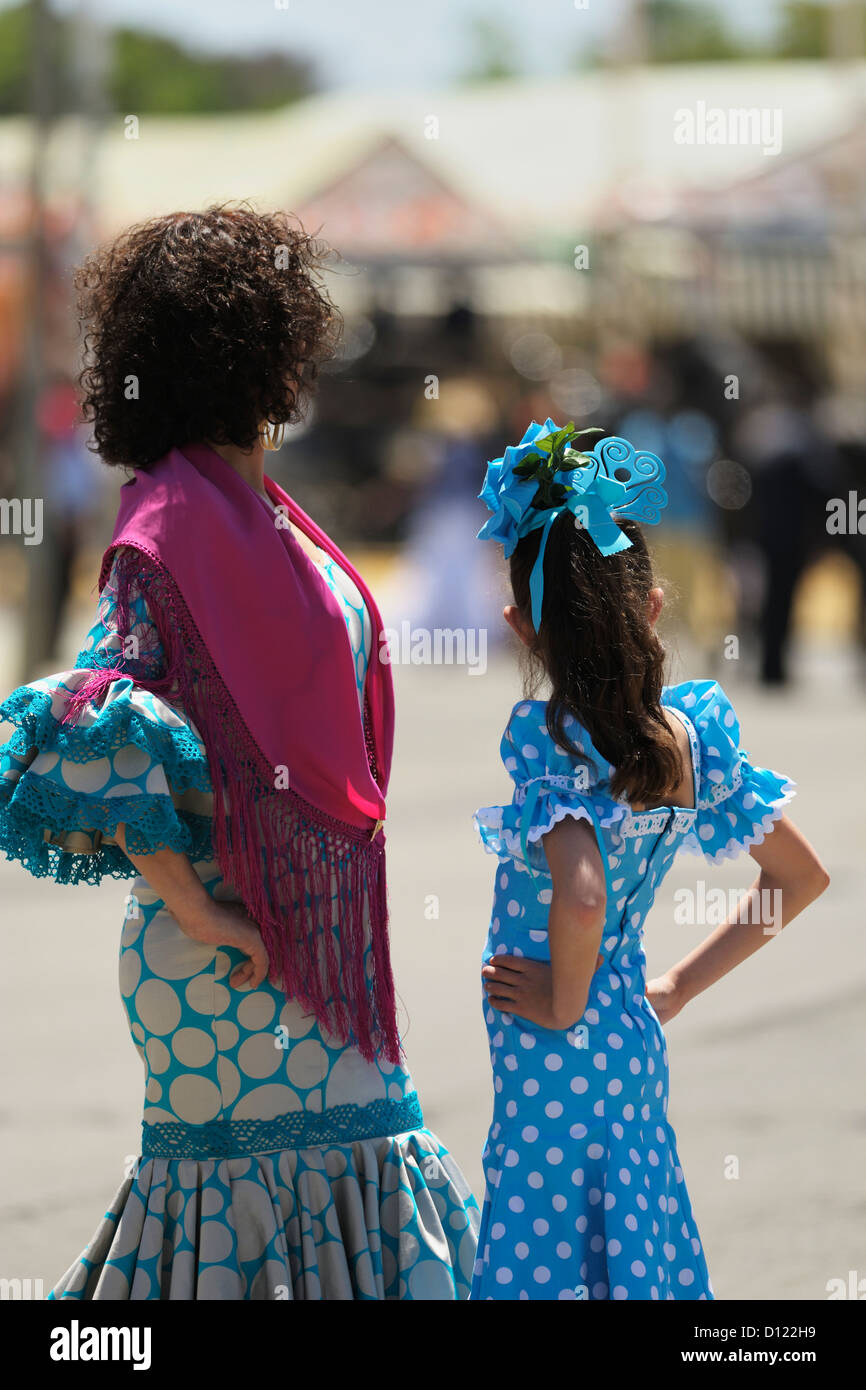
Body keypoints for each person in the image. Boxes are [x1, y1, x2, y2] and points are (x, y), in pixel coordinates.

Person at [0, 203, 479, 1300]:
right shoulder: (168, 523)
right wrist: (196, 903)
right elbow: (86, 723)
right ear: (268, 346)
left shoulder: (262, 509)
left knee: (345, 1186)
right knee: (276, 1218)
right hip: (222, 946)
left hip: (310, 931)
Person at [469, 420, 829, 1300]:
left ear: (523, 626)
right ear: (653, 606)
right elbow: (801, 878)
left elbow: (582, 894)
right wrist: (671, 987)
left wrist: (561, 997)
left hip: (554, 1055)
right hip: (630, 1038)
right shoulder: (693, 738)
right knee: (632, 1232)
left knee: (546, 1246)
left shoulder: (551, 742)